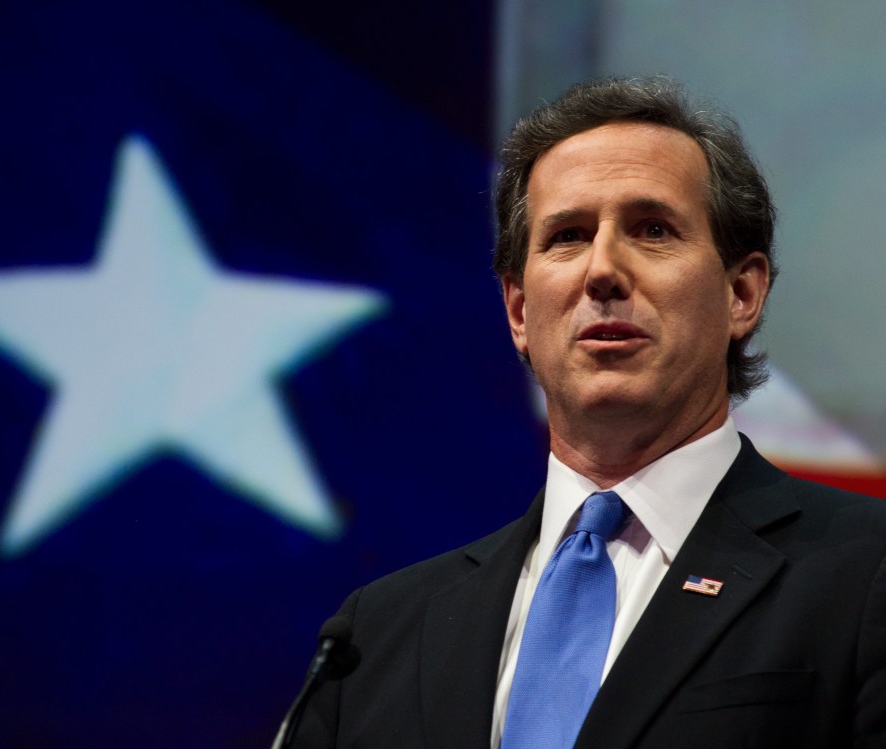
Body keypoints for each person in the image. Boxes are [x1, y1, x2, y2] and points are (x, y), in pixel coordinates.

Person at [292, 76, 886, 748]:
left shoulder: (864, 571)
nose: (602, 269)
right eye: (568, 235)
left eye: (652, 229)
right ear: (519, 311)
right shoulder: (373, 637)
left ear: (742, 293)